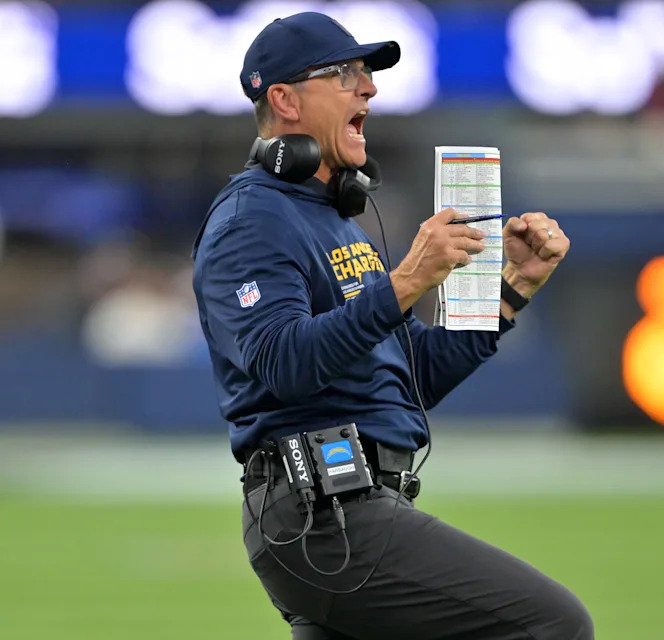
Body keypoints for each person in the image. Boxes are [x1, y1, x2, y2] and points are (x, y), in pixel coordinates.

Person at [191, 11, 591, 640]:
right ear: (285, 100)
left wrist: (510, 292)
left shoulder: (334, 217)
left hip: (349, 511)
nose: (369, 89)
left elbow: (411, 380)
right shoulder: (252, 218)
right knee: (553, 625)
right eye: (345, 74)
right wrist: (406, 281)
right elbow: (283, 364)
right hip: (323, 519)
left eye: (367, 74)